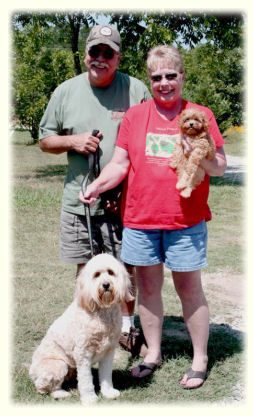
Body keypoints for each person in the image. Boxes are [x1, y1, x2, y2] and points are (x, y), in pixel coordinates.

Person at [79, 45, 227, 389]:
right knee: (147, 288)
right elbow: (120, 163)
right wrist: (97, 186)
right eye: (157, 77)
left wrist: (200, 158)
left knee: (190, 289)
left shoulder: (200, 113)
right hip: (141, 219)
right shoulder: (135, 116)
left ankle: (200, 358)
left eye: (171, 76)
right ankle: (152, 353)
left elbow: (219, 166)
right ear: (150, 80)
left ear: (182, 77)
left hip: (185, 220)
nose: (164, 83)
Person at [39, 25, 151, 356]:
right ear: (86, 54)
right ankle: (86, 332)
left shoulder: (136, 90)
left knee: (125, 270)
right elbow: (45, 139)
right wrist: (72, 141)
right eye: (94, 52)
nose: (100, 59)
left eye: (108, 53)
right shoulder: (65, 91)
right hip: (80, 203)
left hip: (124, 202)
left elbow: (148, 142)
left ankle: (128, 332)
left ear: (118, 57)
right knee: (86, 271)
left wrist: (129, 183)